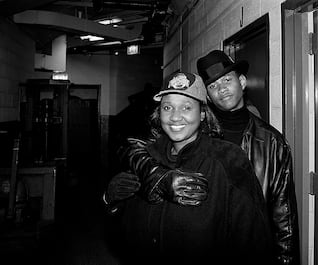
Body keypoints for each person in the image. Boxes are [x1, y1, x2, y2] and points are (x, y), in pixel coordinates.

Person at [106, 51, 300, 264]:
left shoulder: (261, 146)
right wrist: (116, 198)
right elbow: (132, 147)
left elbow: (281, 215)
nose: (222, 89)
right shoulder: (169, 143)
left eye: (227, 79)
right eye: (213, 85)